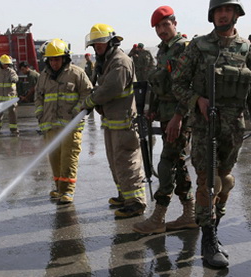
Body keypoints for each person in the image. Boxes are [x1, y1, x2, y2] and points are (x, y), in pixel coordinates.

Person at [172, 0, 251, 268]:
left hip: (234, 128)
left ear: (236, 14)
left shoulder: (246, 49)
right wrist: (197, 100)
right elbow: (178, 83)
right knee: (208, 181)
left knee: (225, 181)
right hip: (206, 127)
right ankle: (208, 239)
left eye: (227, 10)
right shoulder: (198, 46)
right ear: (212, 15)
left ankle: (215, 226)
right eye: (218, 10)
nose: (222, 15)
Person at [132, 6, 197, 235]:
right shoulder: (162, 51)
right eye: (158, 27)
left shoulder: (184, 49)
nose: (161, 30)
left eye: (165, 24)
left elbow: (189, 86)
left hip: (181, 115)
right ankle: (189, 214)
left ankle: (158, 218)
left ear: (175, 23)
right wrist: (153, 110)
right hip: (167, 114)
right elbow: (160, 85)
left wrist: (178, 117)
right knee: (178, 163)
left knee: (166, 163)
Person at [81, 23, 146, 218]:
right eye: (95, 46)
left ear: (110, 42)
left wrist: (90, 101)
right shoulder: (106, 61)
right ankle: (124, 195)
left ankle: (135, 202)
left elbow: (111, 88)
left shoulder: (120, 62)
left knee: (127, 162)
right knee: (115, 161)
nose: (97, 49)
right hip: (112, 122)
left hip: (124, 123)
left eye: (100, 45)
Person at [35, 38, 92, 204]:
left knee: (69, 158)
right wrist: (40, 114)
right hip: (50, 125)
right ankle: (59, 188)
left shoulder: (76, 73)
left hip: (71, 125)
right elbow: (38, 97)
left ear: (65, 58)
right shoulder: (43, 76)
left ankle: (67, 191)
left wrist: (77, 112)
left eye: (57, 59)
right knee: (54, 158)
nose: (54, 63)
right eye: (51, 59)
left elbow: (87, 93)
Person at [0, 54, 20, 134]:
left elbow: (16, 78)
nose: (6, 65)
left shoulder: (11, 72)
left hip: (10, 97)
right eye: (5, 64)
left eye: (7, 64)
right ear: (1, 64)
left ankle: (13, 129)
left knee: (12, 113)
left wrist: (14, 79)